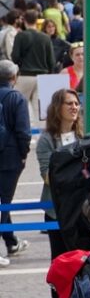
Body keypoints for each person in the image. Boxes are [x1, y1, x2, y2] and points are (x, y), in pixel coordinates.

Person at [38, 88, 82, 298]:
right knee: (58, 260)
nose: (74, 107)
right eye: (69, 104)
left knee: (80, 259)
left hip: (81, 210)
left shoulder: (83, 137)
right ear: (58, 108)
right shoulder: (46, 140)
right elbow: (47, 176)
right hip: (56, 210)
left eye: (76, 103)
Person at [0, 60, 31, 266]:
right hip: (9, 158)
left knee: (3, 202)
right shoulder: (16, 98)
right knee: (5, 201)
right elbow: (23, 131)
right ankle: (10, 241)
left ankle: (11, 241)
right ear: (14, 77)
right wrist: (24, 153)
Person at [10, 8, 54, 108]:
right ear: (37, 20)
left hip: (25, 75)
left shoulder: (20, 36)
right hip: (42, 76)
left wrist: (22, 64)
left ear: (24, 20)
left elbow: (15, 57)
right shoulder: (46, 38)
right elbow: (51, 61)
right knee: (39, 110)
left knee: (19, 107)